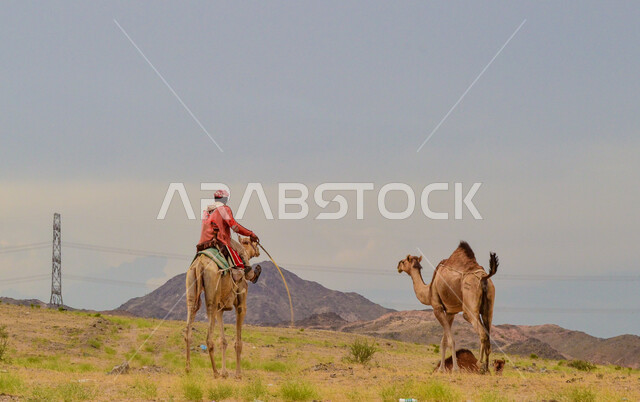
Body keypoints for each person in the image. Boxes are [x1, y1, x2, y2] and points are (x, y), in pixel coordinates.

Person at [197, 189, 259, 271]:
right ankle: (250, 275)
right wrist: (250, 234)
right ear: (225, 199)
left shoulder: (206, 210)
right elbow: (234, 226)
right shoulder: (224, 209)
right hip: (219, 240)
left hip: (203, 243)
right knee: (242, 251)